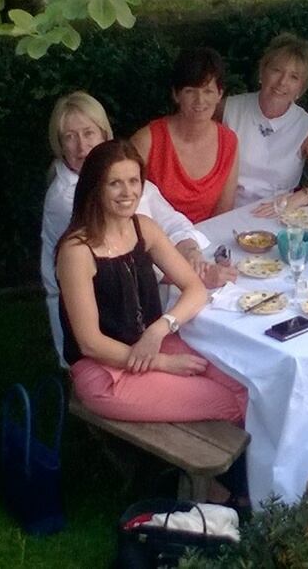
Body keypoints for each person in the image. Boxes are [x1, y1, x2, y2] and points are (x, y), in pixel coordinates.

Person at [56, 139, 248, 424]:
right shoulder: (77, 251)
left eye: (134, 181)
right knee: (229, 403)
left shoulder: (143, 228)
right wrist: (163, 363)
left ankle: (247, 464)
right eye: (115, 183)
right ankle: (225, 468)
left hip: (154, 344)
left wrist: (158, 330)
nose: (127, 192)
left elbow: (194, 287)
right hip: (105, 369)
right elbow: (90, 343)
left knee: (246, 388)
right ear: (95, 188)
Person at [40, 91, 233, 368]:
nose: (82, 146)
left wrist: (188, 252)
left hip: (142, 318)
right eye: (70, 137)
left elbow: (170, 222)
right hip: (106, 333)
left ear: (104, 134)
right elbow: (116, 268)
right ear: (59, 145)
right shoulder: (68, 201)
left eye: (88, 133)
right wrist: (180, 269)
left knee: (222, 363)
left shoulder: (122, 176)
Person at [221, 33, 308, 216]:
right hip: (227, 211)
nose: (283, 82)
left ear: (300, 89)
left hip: (277, 214)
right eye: (277, 70)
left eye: (294, 77)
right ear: (262, 72)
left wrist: (297, 199)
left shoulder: (305, 126)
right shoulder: (228, 108)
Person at [130, 48, 239, 223]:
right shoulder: (147, 141)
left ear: (220, 94)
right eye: (190, 91)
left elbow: (223, 211)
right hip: (156, 241)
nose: (200, 100)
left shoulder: (229, 141)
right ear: (176, 94)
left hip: (207, 240)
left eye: (208, 91)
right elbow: (127, 204)